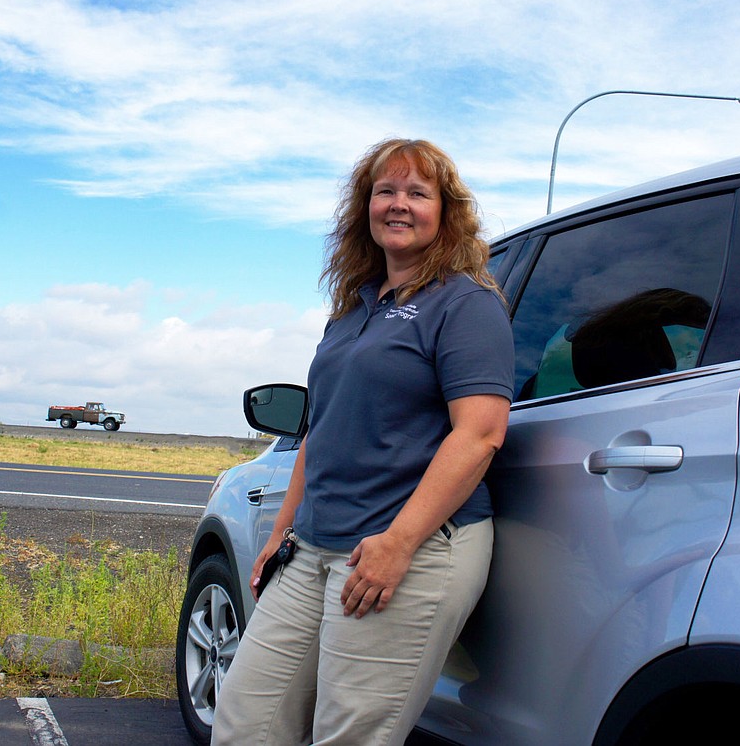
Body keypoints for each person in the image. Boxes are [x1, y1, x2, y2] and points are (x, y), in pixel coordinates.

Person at [212, 139, 514, 745]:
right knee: (245, 724)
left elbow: (480, 434)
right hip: (315, 547)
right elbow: (319, 430)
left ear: (446, 213)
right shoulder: (352, 310)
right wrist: (282, 531)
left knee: (350, 738)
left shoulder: (465, 304)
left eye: (417, 193)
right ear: (365, 208)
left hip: (408, 550)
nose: (398, 205)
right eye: (385, 191)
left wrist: (399, 544)